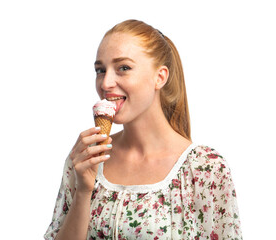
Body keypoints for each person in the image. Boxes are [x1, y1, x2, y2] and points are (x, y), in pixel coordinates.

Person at [44, 19, 242, 240]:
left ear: (160, 77)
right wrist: (83, 192)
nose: (106, 83)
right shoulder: (85, 158)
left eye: (124, 68)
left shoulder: (205, 169)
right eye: (100, 70)